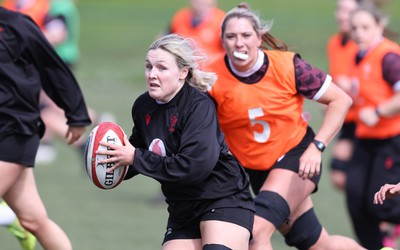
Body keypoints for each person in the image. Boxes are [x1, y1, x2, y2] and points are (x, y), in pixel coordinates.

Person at [207, 3, 365, 250]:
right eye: (231, 36)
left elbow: (341, 100)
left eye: (246, 35)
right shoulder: (211, 78)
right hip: (256, 171)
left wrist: (317, 146)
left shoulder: (288, 66)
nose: (239, 43)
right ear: (222, 41)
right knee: (316, 243)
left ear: (259, 38)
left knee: (256, 232)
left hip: (297, 158)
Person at [96, 34, 255, 250]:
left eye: (161, 68)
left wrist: (134, 157)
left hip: (223, 198)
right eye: (148, 67)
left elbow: (194, 167)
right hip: (182, 206)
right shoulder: (143, 106)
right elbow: (140, 150)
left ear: (183, 72)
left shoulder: (198, 107)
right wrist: (111, 161)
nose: (152, 74)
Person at [0, 7, 91, 250]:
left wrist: (76, 114)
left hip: (14, 130)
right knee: (33, 220)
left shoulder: (15, 24)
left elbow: (52, 66)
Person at [343, 3, 400, 249]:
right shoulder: (358, 55)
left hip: (391, 139)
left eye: (365, 27)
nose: (359, 33)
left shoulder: (388, 56)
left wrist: (378, 111)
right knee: (355, 200)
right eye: (355, 28)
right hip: (365, 138)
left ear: (379, 26)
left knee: (378, 200)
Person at [326, 0, 359, 192]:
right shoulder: (335, 43)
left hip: (370, 121)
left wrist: (353, 88)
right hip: (348, 120)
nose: (341, 15)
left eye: (347, 11)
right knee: (339, 176)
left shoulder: (365, 43)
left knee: (361, 180)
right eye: (339, 9)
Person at [168, 0, 225, 66]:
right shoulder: (180, 17)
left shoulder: (221, 21)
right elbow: (164, 39)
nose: (200, 1)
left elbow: (228, 54)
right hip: (183, 68)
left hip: (210, 70)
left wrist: (206, 58)